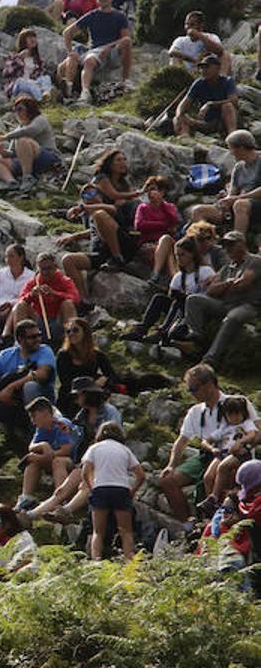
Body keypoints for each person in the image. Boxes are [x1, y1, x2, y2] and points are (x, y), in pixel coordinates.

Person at [157, 364, 257, 520]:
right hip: (206, 454)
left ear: (209, 385)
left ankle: (215, 519)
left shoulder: (237, 403)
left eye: (193, 389)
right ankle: (189, 524)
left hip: (231, 453)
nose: (190, 393)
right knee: (167, 480)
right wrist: (171, 465)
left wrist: (242, 444)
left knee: (221, 474)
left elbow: (258, 431)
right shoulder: (196, 411)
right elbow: (182, 440)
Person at [0, 319, 56, 461]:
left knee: (30, 386)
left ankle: (38, 440)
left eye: (39, 335)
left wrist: (12, 386)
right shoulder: (6, 355)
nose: (38, 339)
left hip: (41, 402)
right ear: (20, 339)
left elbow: (42, 374)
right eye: (32, 337)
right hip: (13, 404)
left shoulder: (45, 351)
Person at [183, 230, 261, 368]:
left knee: (232, 318)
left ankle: (210, 359)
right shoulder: (227, 267)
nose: (228, 248)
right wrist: (230, 282)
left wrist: (223, 287)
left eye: (231, 244)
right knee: (193, 300)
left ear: (242, 243)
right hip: (225, 303)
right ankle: (196, 338)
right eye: (225, 245)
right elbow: (211, 290)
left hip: (248, 305)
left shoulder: (255, 261)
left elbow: (243, 285)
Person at [81, 422, 146, 561]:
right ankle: (129, 562)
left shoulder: (94, 448)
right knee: (126, 531)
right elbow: (141, 475)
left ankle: (95, 562)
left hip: (100, 488)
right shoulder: (124, 450)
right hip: (121, 489)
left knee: (98, 532)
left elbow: (85, 472)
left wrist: (92, 488)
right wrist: (132, 491)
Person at [58, 0, 132, 104]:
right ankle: (71, 91)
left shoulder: (119, 16)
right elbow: (67, 32)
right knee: (68, 63)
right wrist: (70, 52)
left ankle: (125, 80)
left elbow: (126, 38)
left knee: (126, 42)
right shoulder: (93, 15)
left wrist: (109, 46)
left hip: (111, 51)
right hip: (93, 51)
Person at [0, 96, 60, 193]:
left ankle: (27, 177)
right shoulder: (19, 129)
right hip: (25, 162)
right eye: (15, 110)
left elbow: (31, 131)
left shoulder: (40, 120)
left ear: (30, 109)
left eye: (20, 109)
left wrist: (5, 137)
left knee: (22, 141)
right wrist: (2, 151)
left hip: (46, 156)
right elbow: (14, 153)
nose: (17, 113)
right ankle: (11, 182)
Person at [20, 397, 75, 508]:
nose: (32, 421)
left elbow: (67, 450)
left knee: (58, 461)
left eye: (34, 416)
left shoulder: (61, 424)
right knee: (33, 460)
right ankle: (26, 497)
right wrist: (43, 445)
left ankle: (61, 500)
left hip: (72, 462)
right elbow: (31, 447)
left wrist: (48, 455)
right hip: (51, 459)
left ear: (45, 414)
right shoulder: (41, 428)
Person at [54, 317, 117, 415]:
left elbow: (111, 374)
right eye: (68, 331)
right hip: (70, 397)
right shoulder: (63, 355)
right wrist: (92, 382)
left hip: (92, 394)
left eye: (75, 330)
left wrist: (104, 379)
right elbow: (66, 381)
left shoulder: (96, 354)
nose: (71, 334)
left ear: (85, 332)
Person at [13, 252, 78, 341]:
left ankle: (72, 342)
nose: (45, 272)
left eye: (49, 268)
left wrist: (55, 294)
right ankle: (20, 342)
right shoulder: (33, 283)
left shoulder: (64, 281)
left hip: (58, 321)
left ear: (55, 267)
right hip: (38, 321)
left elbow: (76, 298)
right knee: (20, 306)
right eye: (42, 269)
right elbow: (20, 300)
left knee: (68, 304)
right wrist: (31, 295)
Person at [175, 55, 238, 139]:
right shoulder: (199, 83)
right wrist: (179, 115)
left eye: (207, 67)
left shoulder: (227, 81)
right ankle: (185, 137)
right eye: (202, 68)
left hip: (221, 121)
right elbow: (185, 102)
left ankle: (232, 137)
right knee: (180, 116)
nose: (203, 71)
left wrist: (210, 104)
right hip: (204, 121)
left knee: (228, 106)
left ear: (217, 68)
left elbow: (234, 100)